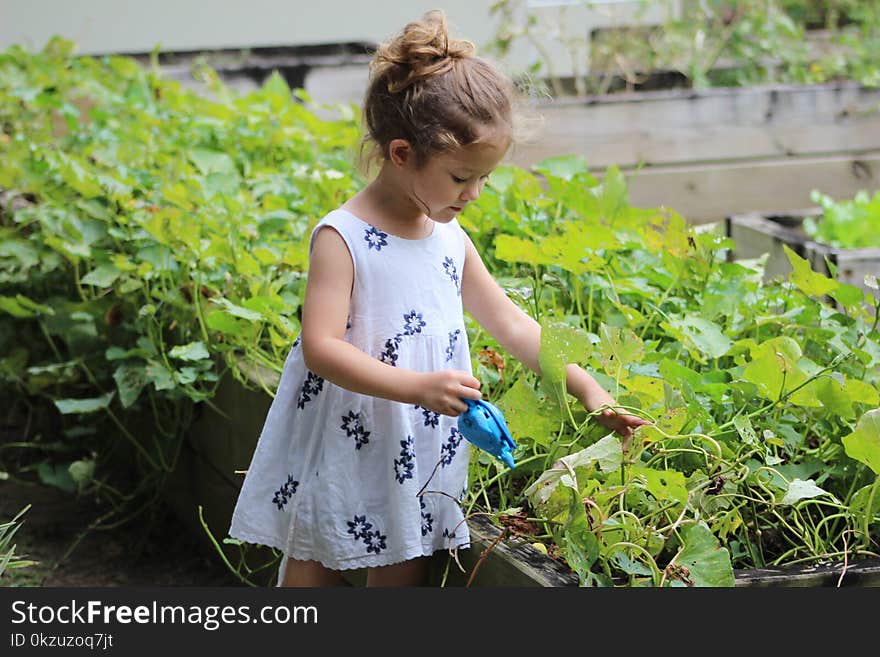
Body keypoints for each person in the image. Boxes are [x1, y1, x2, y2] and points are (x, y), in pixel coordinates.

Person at [228, 9, 650, 588]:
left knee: (406, 560)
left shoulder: (449, 239)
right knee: (315, 560)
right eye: (459, 178)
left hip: (420, 445)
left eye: (484, 179)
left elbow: (514, 326)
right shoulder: (344, 238)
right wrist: (417, 387)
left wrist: (589, 390)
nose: (473, 194)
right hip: (351, 433)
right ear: (402, 154)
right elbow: (320, 347)